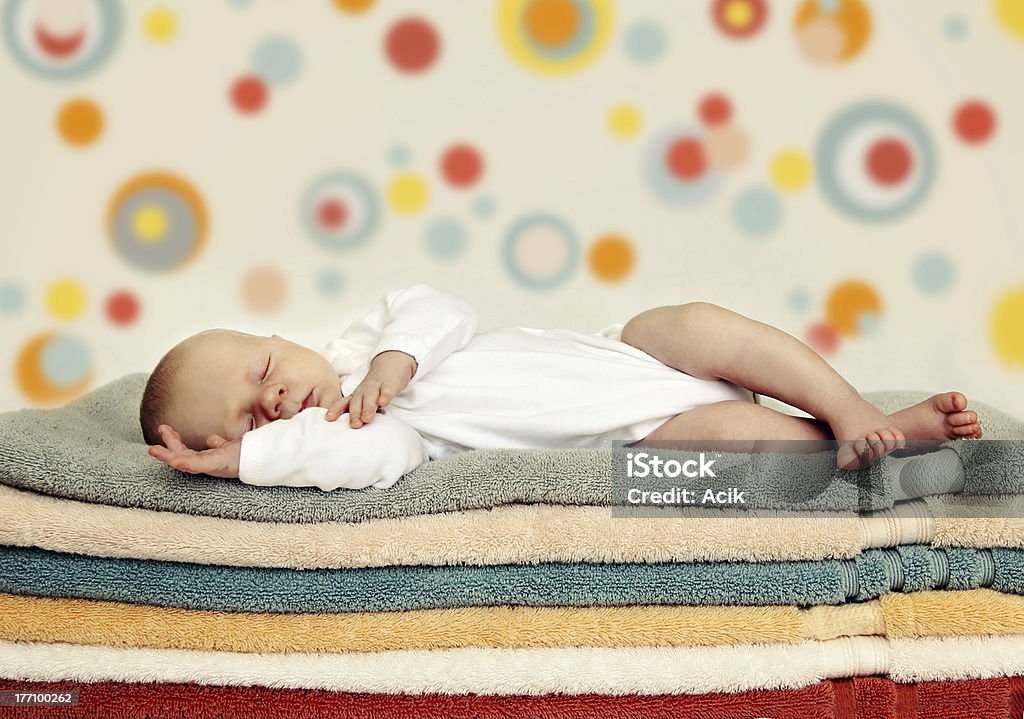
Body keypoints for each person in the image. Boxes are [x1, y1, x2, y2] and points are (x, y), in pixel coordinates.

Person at [142, 284, 982, 491]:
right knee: (717, 454)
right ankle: (860, 449)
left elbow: (439, 306)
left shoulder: (365, 349)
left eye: (264, 373)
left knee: (689, 320)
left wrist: (399, 356)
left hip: (628, 357)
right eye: (254, 417)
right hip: (637, 438)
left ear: (282, 338)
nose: (280, 399)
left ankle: (847, 405)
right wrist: (250, 462)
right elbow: (369, 461)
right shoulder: (374, 436)